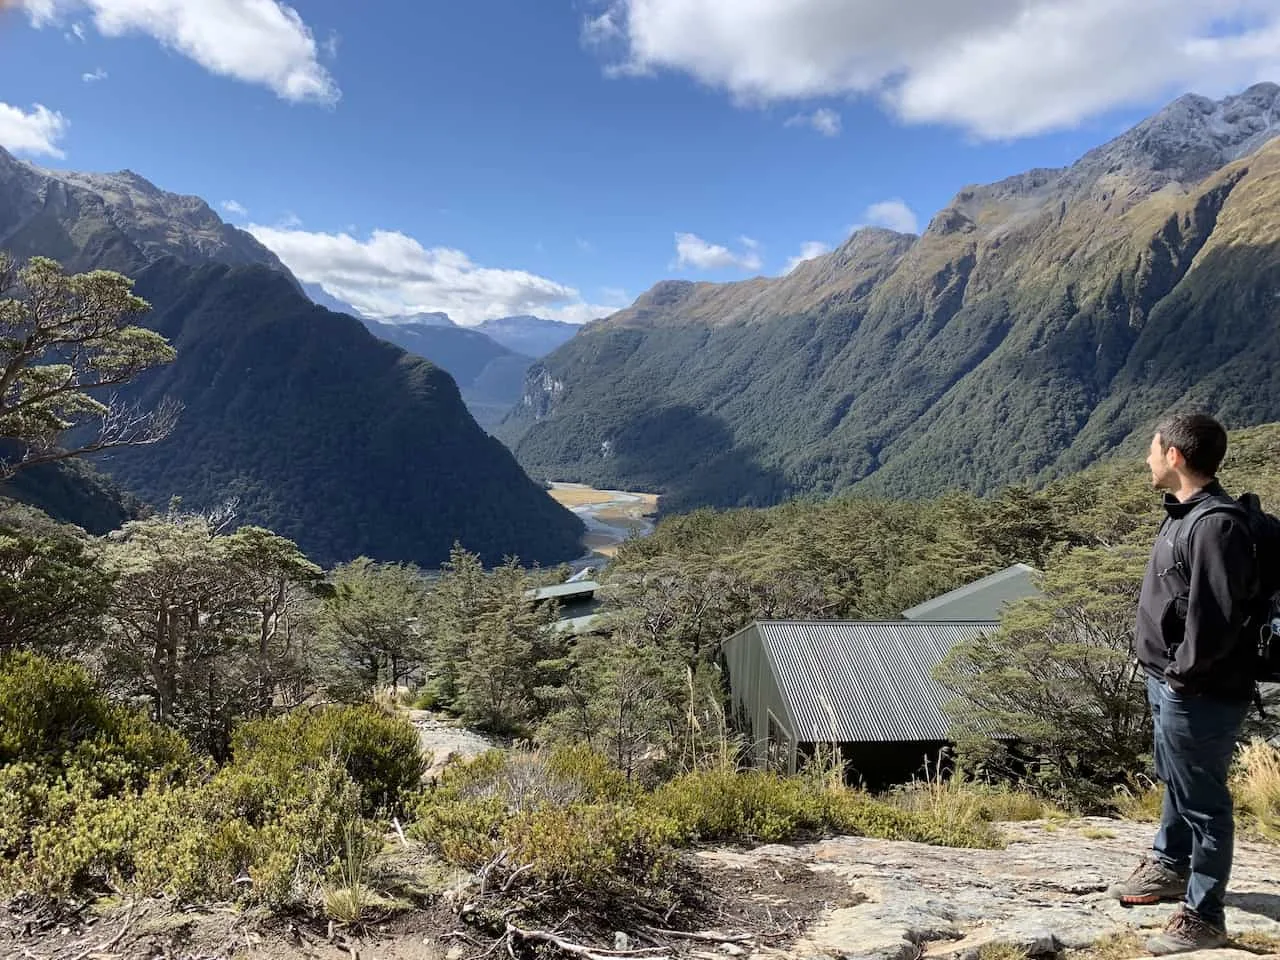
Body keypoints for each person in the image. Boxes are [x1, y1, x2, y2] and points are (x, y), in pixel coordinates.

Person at [1108, 413, 1258, 955]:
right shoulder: (1185, 513)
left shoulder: (1215, 525)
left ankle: (1204, 915)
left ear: (1174, 456)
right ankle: (1170, 867)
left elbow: (1214, 618)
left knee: (1205, 803)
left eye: (1152, 450)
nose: (1146, 460)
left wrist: (1181, 679)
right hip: (1171, 682)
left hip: (1198, 690)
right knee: (1176, 778)